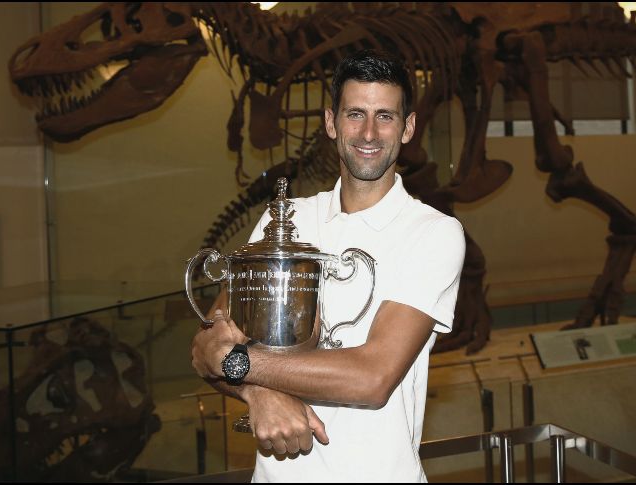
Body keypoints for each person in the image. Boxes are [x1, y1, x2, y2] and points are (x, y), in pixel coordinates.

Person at [191, 49, 466, 482]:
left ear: (408, 127)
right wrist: (256, 392)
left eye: (386, 116)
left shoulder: (433, 232)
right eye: (355, 114)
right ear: (331, 122)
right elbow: (205, 346)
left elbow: (371, 379)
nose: (369, 132)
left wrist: (238, 364)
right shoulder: (285, 220)